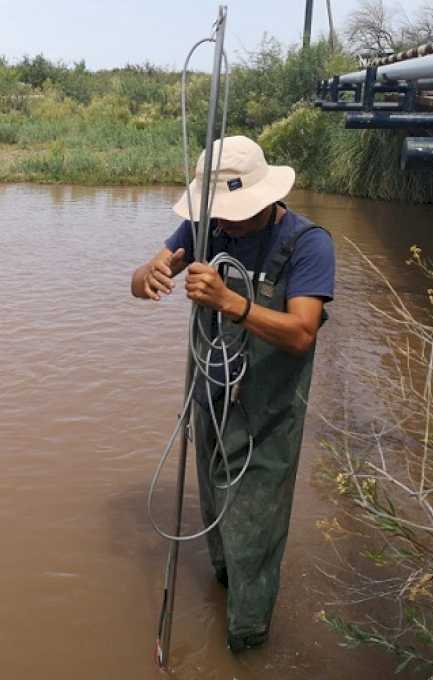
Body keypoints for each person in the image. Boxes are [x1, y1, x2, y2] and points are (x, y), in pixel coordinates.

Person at [130, 135, 335, 652]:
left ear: (265, 200)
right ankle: (224, 588)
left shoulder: (307, 244)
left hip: (269, 414)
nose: (222, 225)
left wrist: (230, 302)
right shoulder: (202, 229)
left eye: (232, 214)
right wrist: (147, 275)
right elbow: (139, 280)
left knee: (257, 535)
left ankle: (248, 638)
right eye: (215, 214)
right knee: (219, 518)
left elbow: (303, 331)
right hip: (211, 402)